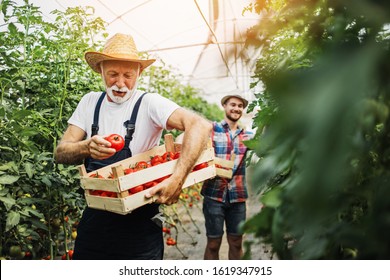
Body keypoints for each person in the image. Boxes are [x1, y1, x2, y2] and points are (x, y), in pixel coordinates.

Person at [54, 33, 212, 260]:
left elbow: (200, 125)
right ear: (101, 71)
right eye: (113, 74)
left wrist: (177, 179)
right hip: (95, 218)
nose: (120, 83)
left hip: (141, 223)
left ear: (139, 73)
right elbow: (61, 152)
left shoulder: (149, 103)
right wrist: (86, 147)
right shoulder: (90, 102)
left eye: (128, 75)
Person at [201, 92, 253, 260]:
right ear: (224, 106)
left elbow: (268, 146)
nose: (236, 108)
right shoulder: (212, 130)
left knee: (236, 241)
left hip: (237, 197)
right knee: (213, 243)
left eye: (240, 106)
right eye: (233, 105)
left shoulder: (248, 137)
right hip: (214, 195)